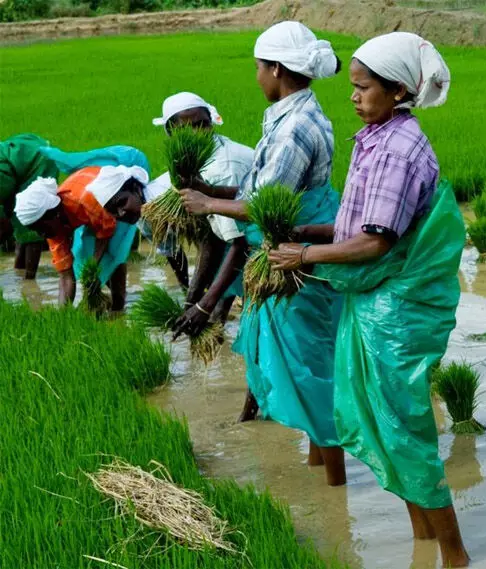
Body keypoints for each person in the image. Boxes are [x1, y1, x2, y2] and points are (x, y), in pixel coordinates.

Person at [267, 32, 469, 568]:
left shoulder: (401, 148)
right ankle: (422, 541)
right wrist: (307, 230)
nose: (352, 96)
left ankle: (455, 556)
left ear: (398, 90)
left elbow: (378, 240)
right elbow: (354, 222)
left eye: (363, 88)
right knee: (385, 424)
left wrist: (304, 258)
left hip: (395, 311)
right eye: (352, 87)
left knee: (404, 428)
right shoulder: (375, 137)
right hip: (374, 302)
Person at [179, 22, 346, 486]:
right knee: (311, 360)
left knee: (309, 366)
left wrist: (210, 204)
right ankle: (319, 465)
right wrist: (210, 189)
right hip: (295, 243)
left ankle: (336, 489)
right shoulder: (295, 113)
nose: (255, 77)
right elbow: (257, 187)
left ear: (276, 68)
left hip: (298, 251)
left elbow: (266, 201)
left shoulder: (295, 128)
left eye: (258, 68)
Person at [151, 91, 254, 321]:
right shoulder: (188, 163)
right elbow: (211, 238)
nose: (199, 133)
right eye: (188, 128)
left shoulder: (224, 166)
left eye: (203, 125)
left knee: (254, 316)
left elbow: (239, 243)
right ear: (171, 133)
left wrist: (202, 306)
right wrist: (191, 301)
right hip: (231, 239)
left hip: (256, 243)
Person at [14, 165, 149, 310]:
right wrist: (63, 315)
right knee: (82, 256)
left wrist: (93, 267)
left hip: (106, 201)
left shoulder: (86, 201)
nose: (41, 235)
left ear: (54, 213)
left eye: (41, 228)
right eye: (36, 230)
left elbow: (106, 231)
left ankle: (118, 307)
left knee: (114, 253)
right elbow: (66, 277)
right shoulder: (52, 231)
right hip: (86, 213)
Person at [0, 134, 59, 279]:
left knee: (31, 220)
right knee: (18, 221)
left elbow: (3, 222)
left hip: (38, 162)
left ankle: (29, 279)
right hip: (22, 157)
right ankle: (19, 270)